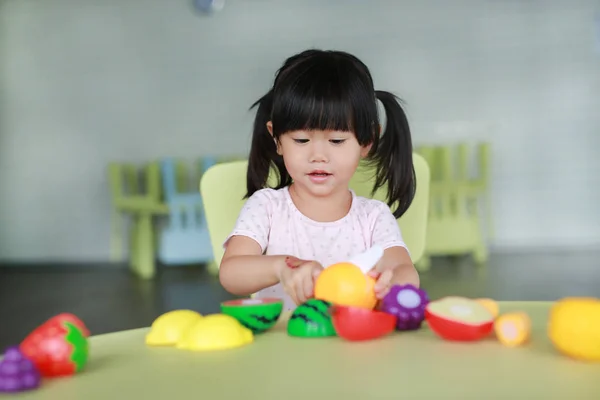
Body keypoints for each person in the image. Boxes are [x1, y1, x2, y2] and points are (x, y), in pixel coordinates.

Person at [219, 49, 420, 311]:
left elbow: (405, 271)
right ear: (277, 138)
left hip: (354, 344)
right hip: (287, 346)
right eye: (301, 140)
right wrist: (283, 266)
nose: (318, 156)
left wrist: (390, 283)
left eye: (336, 141)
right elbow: (231, 272)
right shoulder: (267, 207)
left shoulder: (373, 217)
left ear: (367, 141)